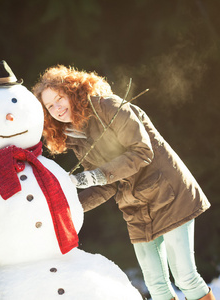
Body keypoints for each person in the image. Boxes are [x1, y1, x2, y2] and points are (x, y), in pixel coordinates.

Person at [32, 65, 215, 300]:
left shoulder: (108, 106)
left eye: (59, 98)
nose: (57, 108)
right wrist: (66, 208)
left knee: (185, 278)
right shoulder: (75, 136)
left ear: (73, 92)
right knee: (157, 286)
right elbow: (106, 185)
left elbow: (142, 152)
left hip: (168, 195)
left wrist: (94, 175)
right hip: (136, 209)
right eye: (50, 106)